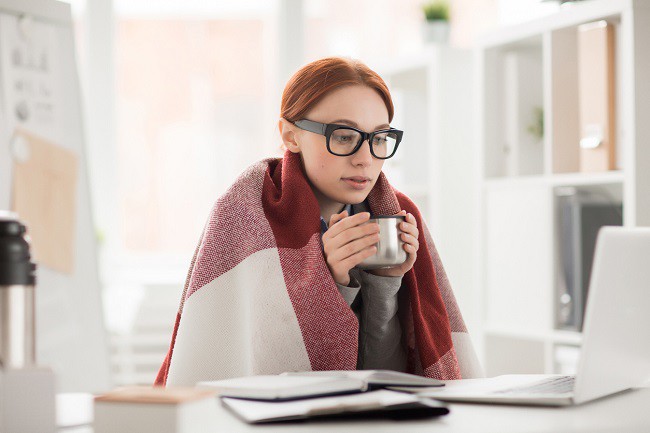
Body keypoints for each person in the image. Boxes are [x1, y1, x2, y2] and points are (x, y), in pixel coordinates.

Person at [155, 57, 482, 387]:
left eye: (380, 138)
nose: (365, 158)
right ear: (290, 135)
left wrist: (386, 280)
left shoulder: (397, 214)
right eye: (343, 136)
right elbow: (267, 374)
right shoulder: (245, 216)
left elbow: (388, 376)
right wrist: (330, 283)